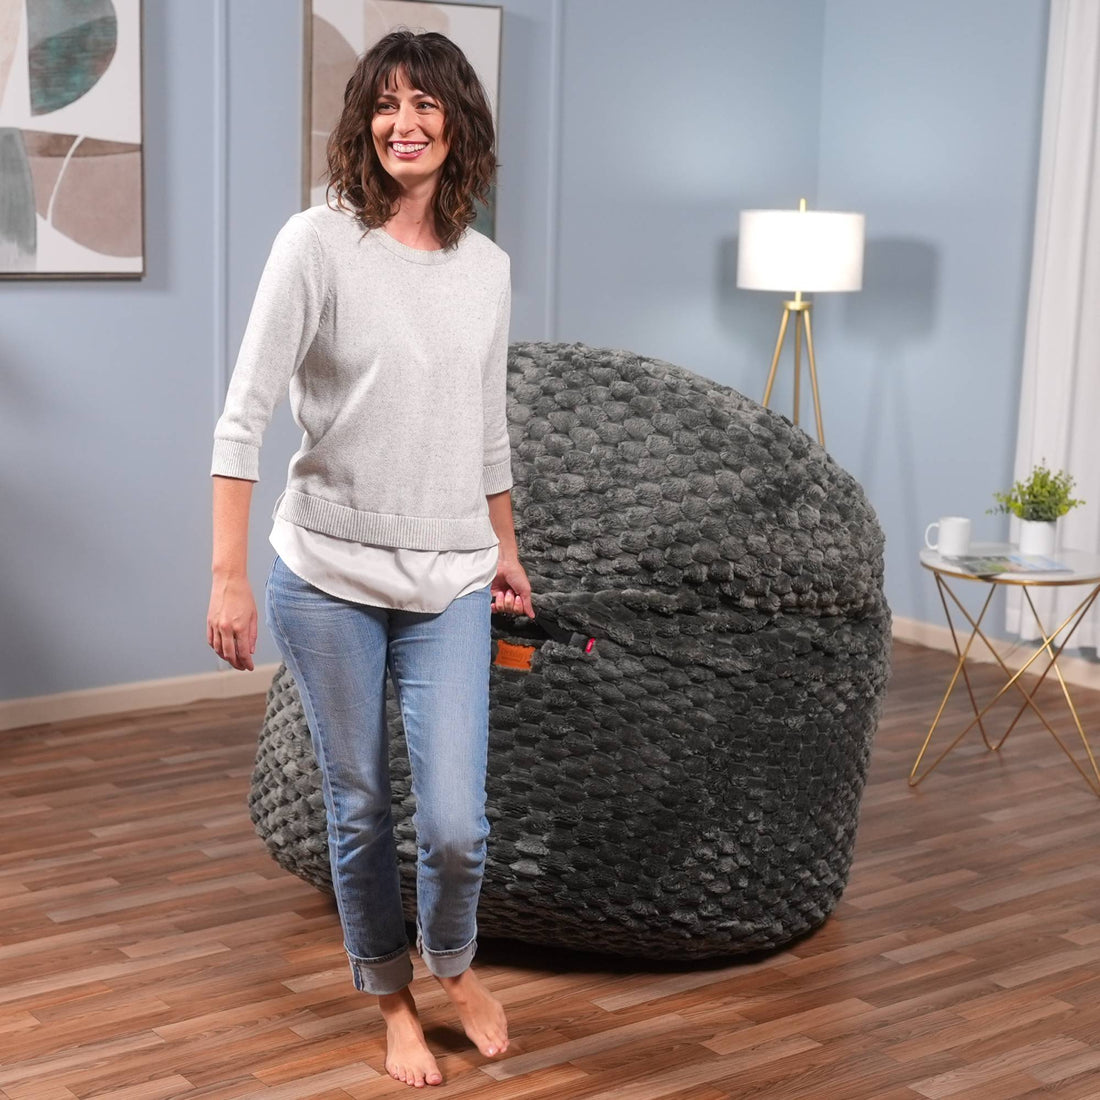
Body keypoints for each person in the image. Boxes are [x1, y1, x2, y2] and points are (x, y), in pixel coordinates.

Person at [206, 29, 534, 1089]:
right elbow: (243, 415)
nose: (405, 123)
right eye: (387, 104)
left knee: (454, 824)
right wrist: (226, 574)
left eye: (426, 104)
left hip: (452, 577)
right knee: (359, 805)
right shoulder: (317, 243)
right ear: (364, 122)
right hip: (328, 578)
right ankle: (392, 998)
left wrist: (506, 550)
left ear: (457, 124)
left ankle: (453, 964)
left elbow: (487, 430)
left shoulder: (487, 268)